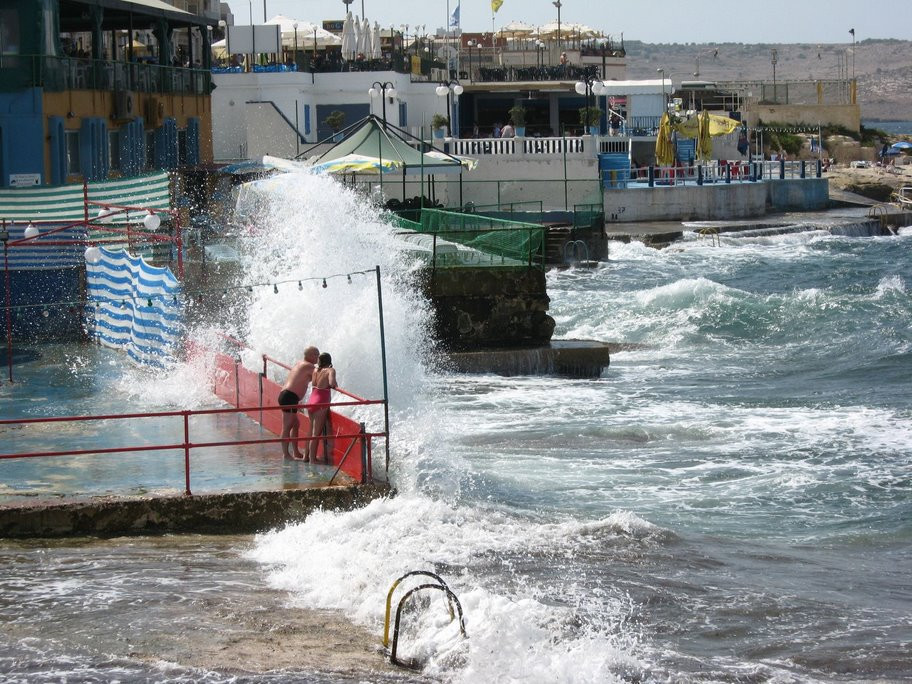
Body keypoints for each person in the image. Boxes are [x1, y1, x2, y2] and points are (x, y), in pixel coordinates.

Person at [277, 346, 319, 460]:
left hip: (288, 396)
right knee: (287, 426)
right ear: (309, 356)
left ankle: (295, 452)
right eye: (316, 354)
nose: (318, 357)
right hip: (289, 397)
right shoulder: (309, 366)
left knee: (295, 424)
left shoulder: (301, 363)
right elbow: (319, 378)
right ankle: (286, 454)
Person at [306, 352, 337, 464]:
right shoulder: (330, 370)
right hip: (321, 403)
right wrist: (334, 383)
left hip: (311, 400)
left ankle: (306, 456)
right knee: (316, 434)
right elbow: (332, 383)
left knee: (310, 431)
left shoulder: (315, 370)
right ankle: (312, 460)